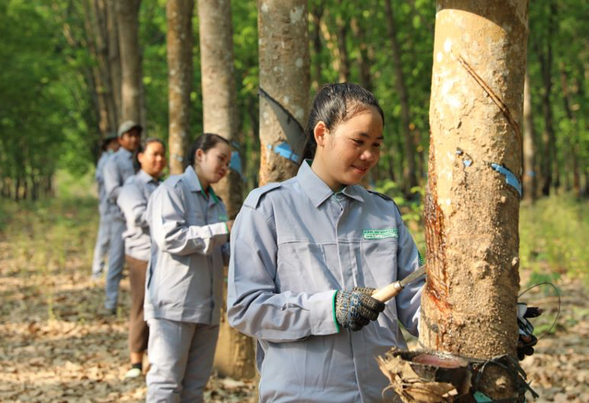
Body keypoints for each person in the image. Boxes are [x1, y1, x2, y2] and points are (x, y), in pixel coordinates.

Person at [227, 83, 423, 403]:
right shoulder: (268, 208)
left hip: (384, 391)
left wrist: (482, 325)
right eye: (358, 141)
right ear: (322, 134)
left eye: (376, 144)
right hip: (304, 395)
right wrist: (330, 309)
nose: (369, 155)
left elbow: (416, 300)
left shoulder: (383, 212)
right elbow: (246, 308)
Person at [144, 133, 235, 403]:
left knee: (194, 388)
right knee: (166, 385)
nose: (224, 167)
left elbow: (219, 251)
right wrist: (223, 230)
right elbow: (169, 237)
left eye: (228, 163)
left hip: (207, 308)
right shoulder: (173, 190)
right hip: (173, 306)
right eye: (220, 158)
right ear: (200, 155)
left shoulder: (216, 202)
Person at [116, 137, 167, 379]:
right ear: (140, 157)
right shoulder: (132, 186)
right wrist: (170, 217)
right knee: (141, 305)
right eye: (153, 154)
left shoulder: (165, 186)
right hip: (141, 255)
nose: (159, 159)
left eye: (162, 155)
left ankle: (155, 357)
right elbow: (137, 216)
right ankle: (135, 360)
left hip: (165, 254)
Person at [101, 120, 142, 314]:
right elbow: (113, 190)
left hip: (141, 219)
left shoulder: (140, 159)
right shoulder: (113, 162)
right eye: (130, 135)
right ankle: (111, 303)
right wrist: (133, 198)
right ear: (121, 139)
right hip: (120, 218)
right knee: (116, 260)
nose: (134, 139)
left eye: (136, 135)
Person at [91, 132, 120, 280]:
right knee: (104, 238)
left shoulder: (114, 159)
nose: (116, 146)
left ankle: (108, 268)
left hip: (114, 208)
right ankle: (97, 270)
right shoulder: (106, 160)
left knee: (113, 239)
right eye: (113, 143)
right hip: (107, 207)